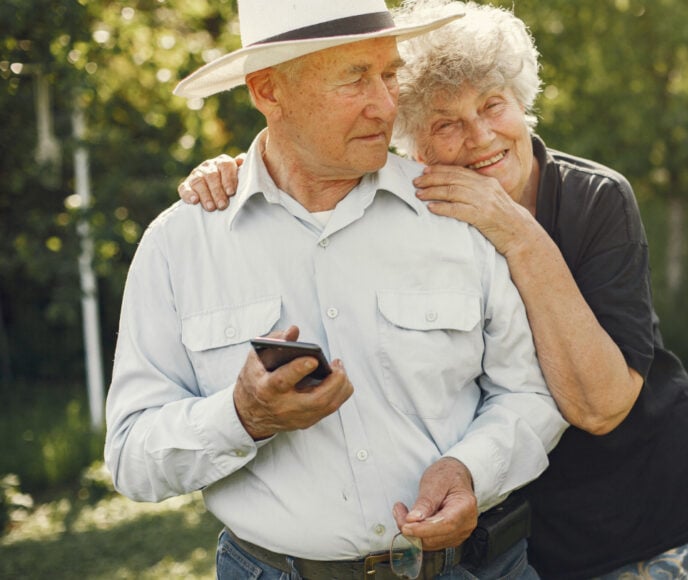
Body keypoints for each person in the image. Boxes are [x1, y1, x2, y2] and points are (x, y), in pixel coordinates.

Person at [178, 1, 688, 578]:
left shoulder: (596, 200)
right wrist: (246, 171)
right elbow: (308, 159)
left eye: (493, 105)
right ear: (407, 142)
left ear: (522, 102)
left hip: (633, 519)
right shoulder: (422, 209)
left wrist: (518, 233)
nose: (481, 136)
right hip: (509, 535)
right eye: (446, 123)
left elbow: (602, 407)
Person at [104, 1, 569, 579]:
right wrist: (242, 415)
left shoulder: (456, 211)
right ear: (269, 91)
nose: (386, 102)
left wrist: (471, 469)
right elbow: (130, 456)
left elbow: (529, 393)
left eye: (389, 73)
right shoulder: (180, 245)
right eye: (354, 78)